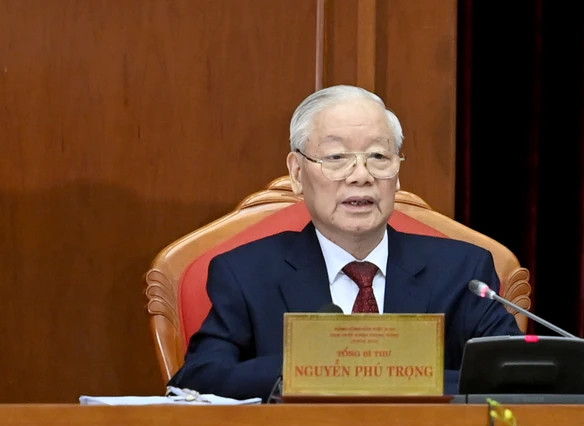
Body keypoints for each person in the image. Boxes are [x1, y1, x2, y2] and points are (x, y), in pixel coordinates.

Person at [168, 85, 521, 400]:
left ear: (397, 174)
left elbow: (512, 376)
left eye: (378, 157)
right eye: (337, 158)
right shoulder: (247, 273)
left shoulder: (462, 272)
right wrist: (310, 370)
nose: (361, 176)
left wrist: (384, 376)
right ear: (296, 173)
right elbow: (199, 377)